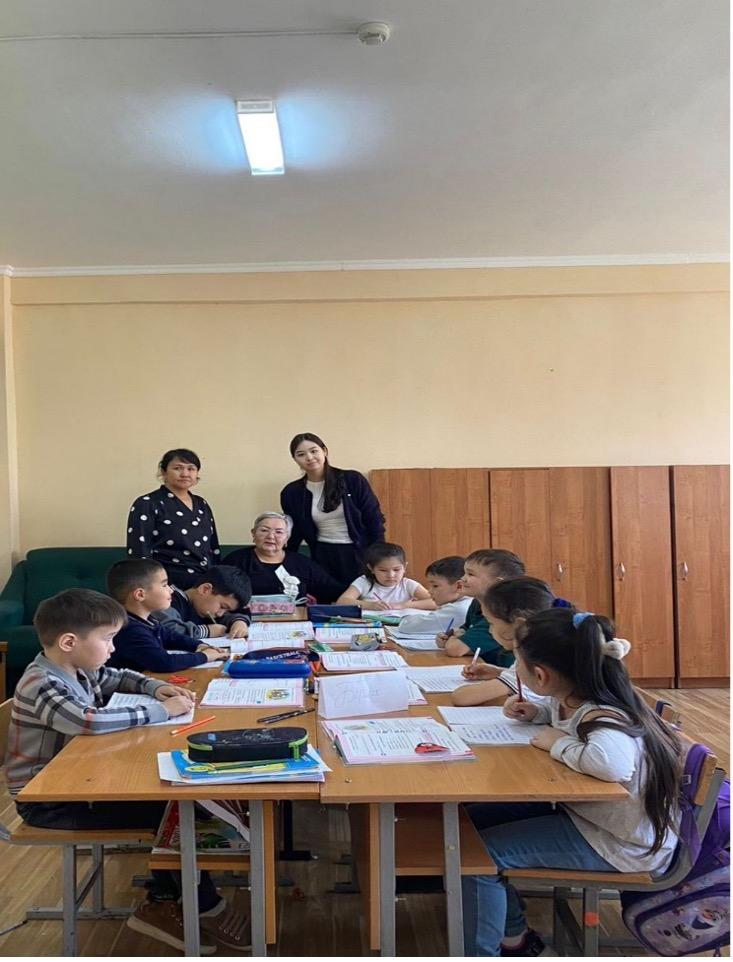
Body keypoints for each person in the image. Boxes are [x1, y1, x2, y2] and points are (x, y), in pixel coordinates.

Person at [5, 588, 249, 954]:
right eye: (107, 639)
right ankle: (178, 905)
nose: (113, 648)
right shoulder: (42, 682)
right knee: (174, 813)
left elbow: (119, 677)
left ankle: (174, 898)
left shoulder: (78, 668)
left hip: (79, 779)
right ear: (69, 642)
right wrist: (161, 710)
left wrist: (157, 687)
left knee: (179, 806)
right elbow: (87, 721)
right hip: (48, 801)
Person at [462, 608, 682, 957]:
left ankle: (507, 943)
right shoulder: (572, 698)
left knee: (473, 856)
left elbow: (613, 764)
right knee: (466, 823)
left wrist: (559, 743)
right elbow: (569, 723)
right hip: (592, 818)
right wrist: (537, 713)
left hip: (621, 843)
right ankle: (511, 929)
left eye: (517, 662)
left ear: (540, 675)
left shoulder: (604, 715)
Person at [280, 432, 385, 590]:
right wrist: (283, 561)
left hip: (359, 552)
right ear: (295, 459)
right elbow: (294, 532)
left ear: (325, 451)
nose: (309, 457)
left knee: (361, 598)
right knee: (328, 597)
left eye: (314, 451)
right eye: (301, 454)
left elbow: (374, 519)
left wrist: (380, 557)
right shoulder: (292, 492)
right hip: (323, 554)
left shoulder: (352, 480)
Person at [451, 576, 573, 706]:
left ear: (518, 625)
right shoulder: (537, 648)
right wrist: (499, 672)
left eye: (491, 623)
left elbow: (461, 698)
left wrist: (505, 678)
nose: (490, 630)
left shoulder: (536, 658)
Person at [106, 559, 227, 672]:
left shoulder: (146, 619)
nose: (171, 590)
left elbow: (171, 636)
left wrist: (200, 645)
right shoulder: (129, 629)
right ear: (140, 595)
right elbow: (164, 662)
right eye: (164, 585)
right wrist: (205, 656)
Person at [126, 448, 221, 590]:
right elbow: (139, 552)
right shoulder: (147, 503)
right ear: (163, 472)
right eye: (177, 468)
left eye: (191, 469)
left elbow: (213, 547)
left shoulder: (202, 504)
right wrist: (152, 587)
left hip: (204, 584)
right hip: (167, 584)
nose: (185, 474)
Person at [223, 512, 342, 603]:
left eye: (279, 532)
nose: (270, 536)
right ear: (253, 533)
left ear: (287, 538)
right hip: (247, 621)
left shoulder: (302, 563)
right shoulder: (236, 561)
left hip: (296, 621)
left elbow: (332, 590)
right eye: (264, 530)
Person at [439, 549, 525, 666]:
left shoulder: (501, 613)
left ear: (497, 583)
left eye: (470, 574)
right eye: (464, 573)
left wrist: (455, 641)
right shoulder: (477, 602)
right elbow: (463, 630)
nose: (462, 578)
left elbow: (455, 649)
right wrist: (450, 637)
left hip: (507, 674)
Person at [152, 565, 252, 641]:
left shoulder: (203, 608)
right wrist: (206, 631)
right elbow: (169, 631)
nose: (220, 614)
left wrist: (239, 622)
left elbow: (226, 617)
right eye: (222, 606)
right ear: (205, 589)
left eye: (226, 610)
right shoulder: (168, 601)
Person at [336, 542, 435, 611]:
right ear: (371, 568)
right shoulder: (364, 582)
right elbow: (342, 602)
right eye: (383, 570)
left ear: (404, 567)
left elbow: (436, 602)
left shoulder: (407, 584)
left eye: (396, 570)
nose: (391, 575)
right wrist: (370, 605)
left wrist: (405, 605)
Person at [397, 555, 472, 634]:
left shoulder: (457, 609)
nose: (430, 591)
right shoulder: (469, 602)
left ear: (459, 586)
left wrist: (406, 619)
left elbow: (407, 626)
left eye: (435, 586)